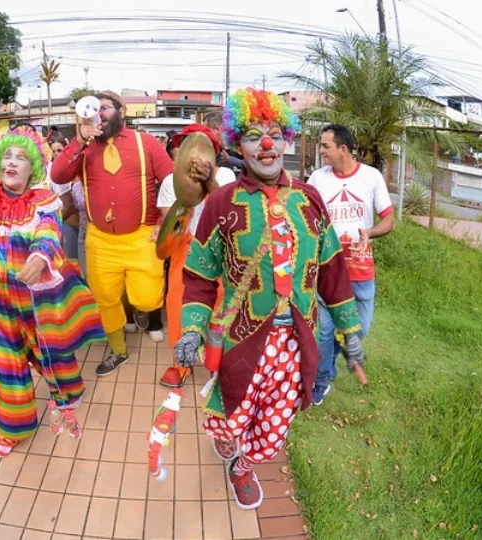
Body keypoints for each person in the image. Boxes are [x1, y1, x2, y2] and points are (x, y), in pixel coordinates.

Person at [174, 89, 365, 510]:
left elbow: (333, 270)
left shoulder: (309, 200)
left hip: (297, 341)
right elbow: (201, 277)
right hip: (241, 339)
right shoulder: (220, 203)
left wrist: (350, 331)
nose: (266, 145)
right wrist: (191, 330)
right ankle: (229, 445)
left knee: (275, 423)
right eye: (254, 135)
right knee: (232, 413)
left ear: (288, 142)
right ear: (236, 145)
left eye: (275, 134)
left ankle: (244, 466)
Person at [0, 126, 105, 456]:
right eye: (7, 156)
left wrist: (40, 258)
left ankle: (65, 394)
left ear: (34, 168)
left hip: (34, 302)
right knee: (2, 364)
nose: (12, 163)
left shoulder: (43, 202)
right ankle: (10, 428)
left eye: (22, 158)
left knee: (50, 353)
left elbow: (49, 232)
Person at [50, 90, 173, 376]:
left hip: (142, 236)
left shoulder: (147, 143)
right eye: (94, 109)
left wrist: (162, 223)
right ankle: (118, 350)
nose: (99, 114)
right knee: (105, 299)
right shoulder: (85, 148)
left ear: (122, 111)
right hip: (100, 240)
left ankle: (139, 310)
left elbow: (169, 180)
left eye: (104, 108)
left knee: (146, 297)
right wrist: (79, 140)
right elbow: (57, 175)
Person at [307, 124, 394, 405]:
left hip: (361, 270)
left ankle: (331, 352)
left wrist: (369, 233)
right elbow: (305, 216)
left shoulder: (371, 177)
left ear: (342, 149)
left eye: (325, 147)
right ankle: (321, 379)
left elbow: (388, 220)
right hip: (328, 271)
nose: (321, 152)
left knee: (360, 329)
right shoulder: (318, 179)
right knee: (324, 331)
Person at [155, 124, 236, 387]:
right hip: (185, 249)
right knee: (178, 304)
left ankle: (219, 364)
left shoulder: (226, 177)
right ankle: (181, 364)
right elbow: (171, 224)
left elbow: (232, 214)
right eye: (185, 145)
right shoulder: (170, 181)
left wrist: (208, 183)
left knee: (223, 309)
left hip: (222, 251)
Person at [47, 136, 80, 260]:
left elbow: (69, 205)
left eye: (59, 150)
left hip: (68, 222)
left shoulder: (63, 171)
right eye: (53, 151)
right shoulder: (51, 169)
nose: (56, 154)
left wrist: (51, 223)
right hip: (64, 221)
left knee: (73, 264)